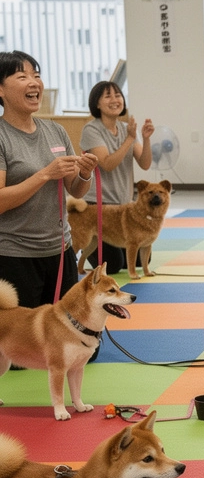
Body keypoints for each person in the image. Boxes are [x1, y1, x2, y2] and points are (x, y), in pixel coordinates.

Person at [0, 51, 99, 308]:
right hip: (14, 253)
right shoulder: (2, 136)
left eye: (37, 75)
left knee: (66, 335)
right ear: (1, 89)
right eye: (23, 76)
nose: (34, 83)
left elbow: (75, 190)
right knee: (23, 341)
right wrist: (45, 174)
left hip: (60, 249)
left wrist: (84, 173)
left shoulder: (55, 131)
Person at [79, 80, 154, 273]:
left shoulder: (125, 128)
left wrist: (145, 139)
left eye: (118, 95)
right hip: (99, 207)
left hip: (123, 207)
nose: (115, 100)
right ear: (97, 103)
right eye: (108, 96)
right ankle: (84, 253)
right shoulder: (92, 130)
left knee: (139, 261)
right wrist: (130, 138)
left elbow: (145, 164)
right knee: (112, 266)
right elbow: (107, 164)